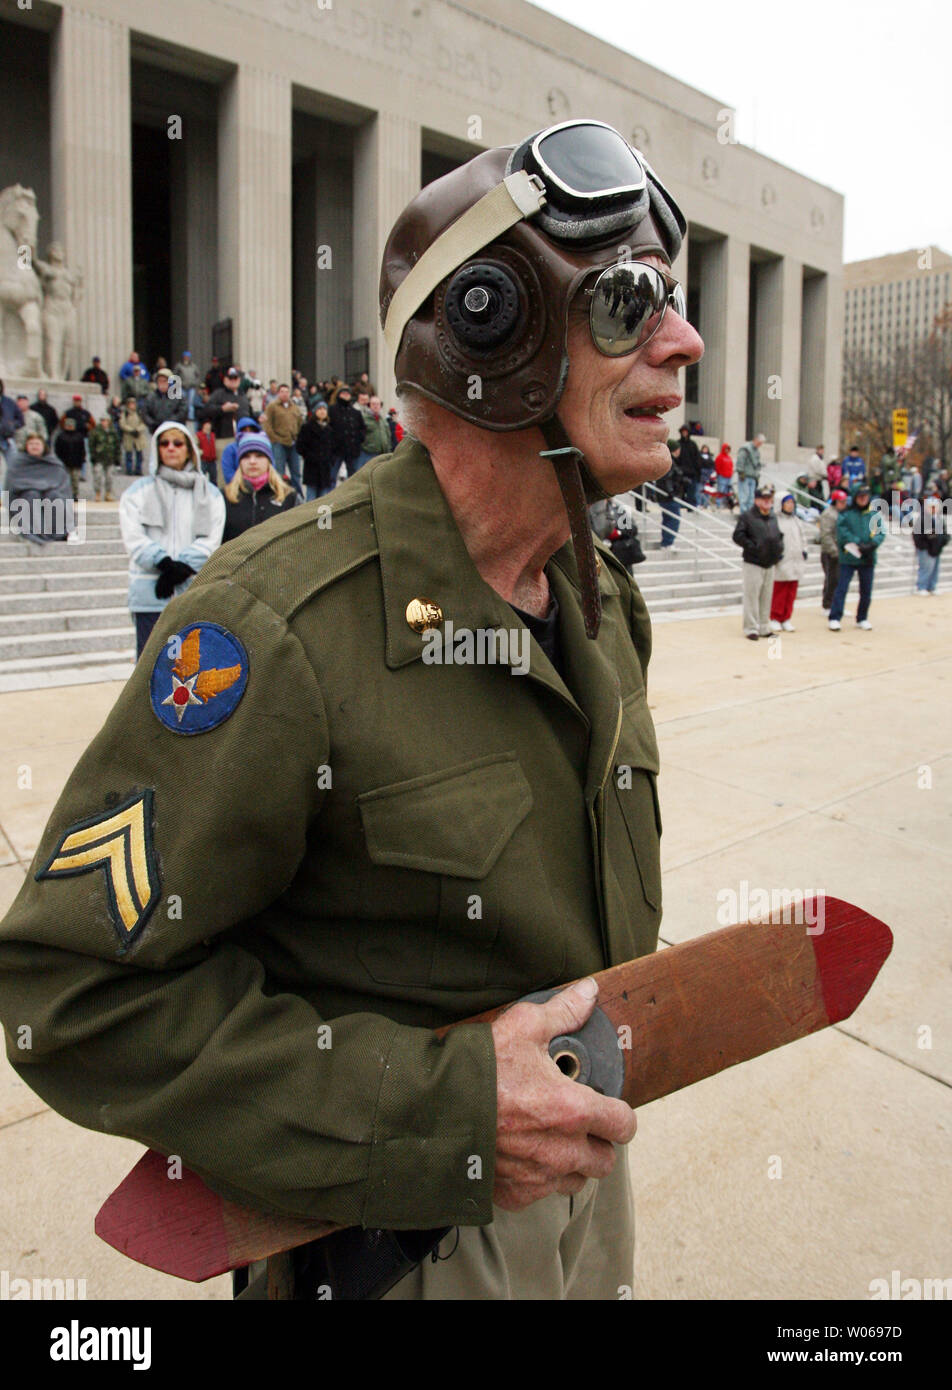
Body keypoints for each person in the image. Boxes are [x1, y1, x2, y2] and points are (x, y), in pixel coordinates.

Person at [0, 118, 702, 1303]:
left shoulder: (599, 604)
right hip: (396, 1243)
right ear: (494, 329)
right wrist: (442, 1111)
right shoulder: (272, 629)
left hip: (581, 1182)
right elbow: (71, 999)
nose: (683, 344)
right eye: (630, 305)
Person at [118, 421, 225, 658]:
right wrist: (163, 563)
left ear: (188, 449)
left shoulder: (211, 494)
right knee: (149, 669)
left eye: (177, 443)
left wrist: (182, 566)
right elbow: (133, 537)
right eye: (164, 443)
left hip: (192, 593)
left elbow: (211, 538)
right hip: (151, 594)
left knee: (191, 670)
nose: (171, 448)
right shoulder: (137, 492)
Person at [221, 432, 299, 543]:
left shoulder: (290, 497)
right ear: (240, 462)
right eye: (246, 457)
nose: (252, 462)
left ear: (269, 461)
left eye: (259, 456)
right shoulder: (224, 497)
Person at [828, 482, 884, 631]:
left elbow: (880, 532)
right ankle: (835, 617)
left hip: (868, 557)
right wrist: (859, 543)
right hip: (849, 557)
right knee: (841, 588)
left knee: (866, 590)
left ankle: (862, 617)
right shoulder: (846, 513)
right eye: (860, 496)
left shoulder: (874, 514)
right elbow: (842, 532)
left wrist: (872, 544)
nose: (863, 499)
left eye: (865, 496)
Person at [4, 433, 74, 545]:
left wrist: (45, 488)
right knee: (32, 495)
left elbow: (62, 483)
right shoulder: (18, 462)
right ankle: (35, 532)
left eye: (37, 444)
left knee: (54, 496)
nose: (34, 446)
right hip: (25, 495)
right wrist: (37, 487)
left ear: (43, 446)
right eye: (31, 444)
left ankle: (59, 533)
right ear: (26, 446)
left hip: (49, 495)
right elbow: (13, 484)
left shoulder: (53, 462)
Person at [732, 484, 782, 639]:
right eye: (764, 498)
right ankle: (751, 628)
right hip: (753, 562)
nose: (767, 501)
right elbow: (738, 535)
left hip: (770, 562)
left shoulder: (773, 517)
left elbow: (778, 535)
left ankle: (764, 627)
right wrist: (752, 546)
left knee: (766, 596)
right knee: (752, 596)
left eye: (769, 499)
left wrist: (779, 549)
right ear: (757, 500)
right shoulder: (747, 516)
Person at [201, 367, 251, 472]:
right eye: (230, 378)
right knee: (224, 471)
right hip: (224, 437)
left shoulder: (243, 395)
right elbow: (206, 410)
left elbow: (249, 413)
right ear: (225, 380)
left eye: (235, 378)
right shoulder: (218, 394)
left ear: (239, 380)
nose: (233, 381)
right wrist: (222, 409)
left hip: (243, 438)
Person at [770, 493, 807, 631]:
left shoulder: (796, 520)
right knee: (779, 590)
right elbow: (772, 539)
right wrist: (775, 554)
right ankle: (775, 616)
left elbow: (803, 537)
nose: (790, 505)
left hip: (796, 560)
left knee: (791, 590)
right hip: (782, 560)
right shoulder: (775, 520)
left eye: (792, 503)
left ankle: (786, 617)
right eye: (788, 502)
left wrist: (804, 550)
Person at [263, 384, 304, 496]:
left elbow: (300, 422)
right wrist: (274, 439)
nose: (284, 394)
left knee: (296, 472)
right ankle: (280, 494)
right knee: (279, 472)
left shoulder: (294, 407)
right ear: (278, 393)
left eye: (286, 391)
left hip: (293, 442)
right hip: (279, 443)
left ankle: (298, 495)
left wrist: (298, 436)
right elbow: (267, 424)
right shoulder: (272, 406)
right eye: (282, 391)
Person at [297, 402, 337, 499]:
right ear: (315, 411)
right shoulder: (307, 427)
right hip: (312, 467)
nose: (322, 411)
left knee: (323, 499)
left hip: (325, 468)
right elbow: (300, 446)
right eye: (320, 409)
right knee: (311, 498)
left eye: (324, 409)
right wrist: (310, 456)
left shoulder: (329, 429)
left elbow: (333, 447)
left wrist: (331, 460)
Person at [913, 488, 948, 595]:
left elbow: (945, 533)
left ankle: (932, 586)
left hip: (937, 548)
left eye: (935, 507)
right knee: (925, 568)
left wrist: (943, 541)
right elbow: (916, 535)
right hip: (926, 549)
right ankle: (922, 586)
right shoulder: (922, 519)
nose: (933, 509)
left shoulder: (939, 519)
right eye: (931, 507)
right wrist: (923, 546)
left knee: (935, 569)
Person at [329, 384, 364, 485]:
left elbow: (362, 428)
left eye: (347, 393)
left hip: (352, 450)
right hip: (336, 450)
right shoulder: (332, 410)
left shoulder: (355, 412)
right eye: (343, 393)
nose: (346, 395)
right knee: (331, 476)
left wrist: (359, 440)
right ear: (339, 395)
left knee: (353, 478)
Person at [818, 489, 848, 610]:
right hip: (830, 553)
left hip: (842, 552)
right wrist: (834, 551)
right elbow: (826, 535)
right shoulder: (828, 514)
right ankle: (827, 605)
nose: (844, 504)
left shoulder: (843, 513)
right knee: (832, 580)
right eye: (841, 502)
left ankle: (838, 605)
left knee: (841, 581)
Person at [141, 368, 188, 434]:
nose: (162, 384)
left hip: (175, 431)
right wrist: (154, 424)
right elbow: (145, 413)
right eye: (160, 381)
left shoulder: (179, 396)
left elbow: (182, 412)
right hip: (156, 431)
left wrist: (168, 423)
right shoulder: (151, 397)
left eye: (165, 381)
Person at [221, 416, 266, 485]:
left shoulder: (263, 446)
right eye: (244, 430)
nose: (248, 433)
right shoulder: (230, 449)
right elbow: (228, 472)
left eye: (251, 430)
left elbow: (271, 467)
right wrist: (244, 484)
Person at [53, 414, 87, 501]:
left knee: (75, 480)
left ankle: (74, 494)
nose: (69, 427)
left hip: (76, 463)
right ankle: (64, 494)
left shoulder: (79, 437)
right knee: (64, 480)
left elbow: (82, 450)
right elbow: (57, 450)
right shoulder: (61, 437)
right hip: (64, 462)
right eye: (68, 425)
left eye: (71, 425)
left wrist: (82, 460)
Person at [88, 414, 120, 501]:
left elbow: (117, 445)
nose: (104, 422)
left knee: (110, 477)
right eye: (102, 420)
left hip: (110, 458)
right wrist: (93, 456)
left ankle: (108, 493)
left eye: (105, 420)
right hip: (99, 458)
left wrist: (118, 458)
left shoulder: (113, 432)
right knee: (97, 476)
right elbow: (91, 445)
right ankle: (97, 493)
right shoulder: (95, 432)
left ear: (109, 421)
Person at [656, 445, 682, 547]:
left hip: (665, 496)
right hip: (668, 496)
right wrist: (671, 491)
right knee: (673, 519)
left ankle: (666, 542)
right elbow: (667, 478)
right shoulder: (670, 462)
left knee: (668, 518)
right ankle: (668, 542)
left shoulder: (668, 461)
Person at [735, 434, 765, 513]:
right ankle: (744, 515)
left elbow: (757, 463)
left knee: (751, 498)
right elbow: (740, 461)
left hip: (753, 476)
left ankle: (749, 514)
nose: (760, 445)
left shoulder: (756, 451)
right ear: (755, 440)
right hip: (745, 476)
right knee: (744, 497)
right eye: (759, 443)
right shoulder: (746, 448)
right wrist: (740, 472)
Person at [119, 397, 150, 475]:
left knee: (139, 455)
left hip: (138, 436)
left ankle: (138, 470)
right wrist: (131, 430)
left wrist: (137, 430)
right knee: (129, 454)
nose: (132, 405)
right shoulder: (125, 414)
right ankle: (129, 470)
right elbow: (122, 424)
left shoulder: (139, 413)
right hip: (128, 436)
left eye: (133, 404)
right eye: (130, 404)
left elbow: (144, 423)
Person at [675, 423, 701, 506]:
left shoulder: (693, 444)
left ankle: (691, 508)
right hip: (680, 472)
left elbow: (697, 459)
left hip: (691, 473)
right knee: (679, 493)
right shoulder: (678, 444)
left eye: (686, 431)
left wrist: (697, 473)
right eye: (683, 431)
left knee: (692, 494)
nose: (684, 433)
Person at [197, 418, 219, 483]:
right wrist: (201, 452)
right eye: (206, 425)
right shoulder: (199, 435)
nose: (208, 427)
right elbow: (196, 445)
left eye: (209, 426)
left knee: (214, 478)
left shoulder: (213, 435)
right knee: (201, 478)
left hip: (212, 460)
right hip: (204, 460)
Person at [714, 442, 733, 506]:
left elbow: (731, 466)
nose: (727, 450)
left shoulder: (729, 457)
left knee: (727, 492)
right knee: (720, 491)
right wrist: (720, 474)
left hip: (729, 477)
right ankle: (718, 504)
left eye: (728, 449)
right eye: (726, 449)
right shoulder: (719, 457)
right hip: (722, 477)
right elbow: (717, 467)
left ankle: (725, 505)